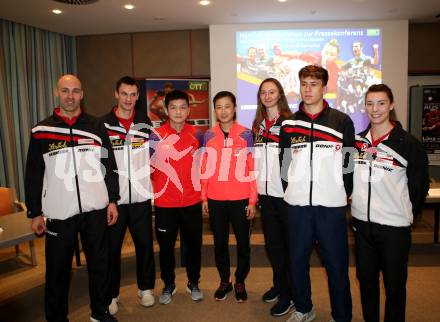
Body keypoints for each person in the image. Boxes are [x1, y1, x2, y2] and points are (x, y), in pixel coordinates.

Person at [25, 74, 120, 322]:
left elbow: (108, 164)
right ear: (57, 93)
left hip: (95, 210)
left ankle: (99, 311)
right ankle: (56, 317)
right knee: (57, 270)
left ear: (82, 94)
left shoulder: (97, 126)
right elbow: (34, 174)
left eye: (75, 91)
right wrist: (34, 212)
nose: (70, 96)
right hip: (60, 212)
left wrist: (112, 200)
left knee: (100, 264)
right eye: (65, 91)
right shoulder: (42, 130)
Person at [279, 65, 354, 322]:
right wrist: (292, 189)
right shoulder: (289, 123)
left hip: (330, 207)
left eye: (313, 84)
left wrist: (341, 192)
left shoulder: (341, 121)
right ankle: (303, 308)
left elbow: (349, 164)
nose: (307, 89)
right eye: (304, 84)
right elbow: (284, 162)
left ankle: (341, 316)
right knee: (297, 261)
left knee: (336, 265)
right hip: (297, 206)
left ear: (324, 87)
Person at [351, 84, 429, 322]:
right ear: (365, 106)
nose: (375, 109)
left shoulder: (408, 143)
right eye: (370, 103)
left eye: (381, 103)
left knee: (394, 288)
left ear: (391, 105)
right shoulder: (356, 143)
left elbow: (419, 187)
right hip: (362, 227)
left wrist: (404, 212)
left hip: (394, 228)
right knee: (366, 285)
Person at [101, 76, 156, 314]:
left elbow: (154, 156)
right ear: (116, 94)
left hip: (141, 198)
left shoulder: (145, 122)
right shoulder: (102, 124)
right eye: (125, 94)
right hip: (114, 202)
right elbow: (98, 163)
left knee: (144, 245)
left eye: (133, 95)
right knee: (112, 250)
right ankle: (111, 294)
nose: (129, 99)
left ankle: (146, 289)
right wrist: (108, 198)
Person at [201, 91, 257, 302]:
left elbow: (252, 168)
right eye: (219, 107)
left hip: (241, 199)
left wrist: (253, 200)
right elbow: (205, 168)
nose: (223, 111)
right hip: (215, 199)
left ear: (234, 108)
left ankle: (240, 280)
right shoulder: (208, 135)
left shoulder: (246, 135)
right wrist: (204, 197)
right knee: (220, 244)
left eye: (227, 106)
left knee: (243, 244)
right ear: (215, 110)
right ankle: (225, 280)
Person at [150, 90, 204, 305]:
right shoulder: (155, 136)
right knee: (166, 248)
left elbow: (203, 166)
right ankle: (169, 284)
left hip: (192, 202)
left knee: (193, 246)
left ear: (188, 110)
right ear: (166, 110)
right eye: (174, 107)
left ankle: (193, 282)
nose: (178, 112)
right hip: (165, 204)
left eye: (183, 107)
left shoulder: (198, 134)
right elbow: (149, 167)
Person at [252, 78, 294, 316]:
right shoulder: (258, 125)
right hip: (266, 197)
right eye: (263, 92)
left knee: (288, 249)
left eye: (272, 92)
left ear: (279, 95)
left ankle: (289, 294)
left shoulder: (289, 122)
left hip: (285, 197)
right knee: (273, 247)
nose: (267, 96)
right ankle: (279, 285)